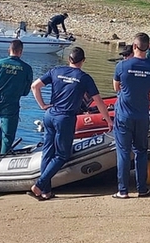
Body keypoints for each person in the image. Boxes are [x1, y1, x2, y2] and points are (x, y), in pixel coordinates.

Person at [30, 47, 111, 200]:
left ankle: (46, 191)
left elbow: (35, 86)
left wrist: (42, 105)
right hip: (65, 118)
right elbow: (98, 101)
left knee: (48, 151)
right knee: (62, 155)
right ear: (83, 61)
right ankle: (40, 185)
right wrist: (107, 119)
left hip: (50, 114)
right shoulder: (84, 77)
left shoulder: (56, 71)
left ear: (69, 59)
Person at [112, 33, 150, 199]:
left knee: (123, 152)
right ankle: (142, 188)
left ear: (134, 46)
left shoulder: (122, 66)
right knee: (141, 151)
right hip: (142, 115)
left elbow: (116, 88)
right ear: (148, 47)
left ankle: (123, 190)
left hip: (124, 115)